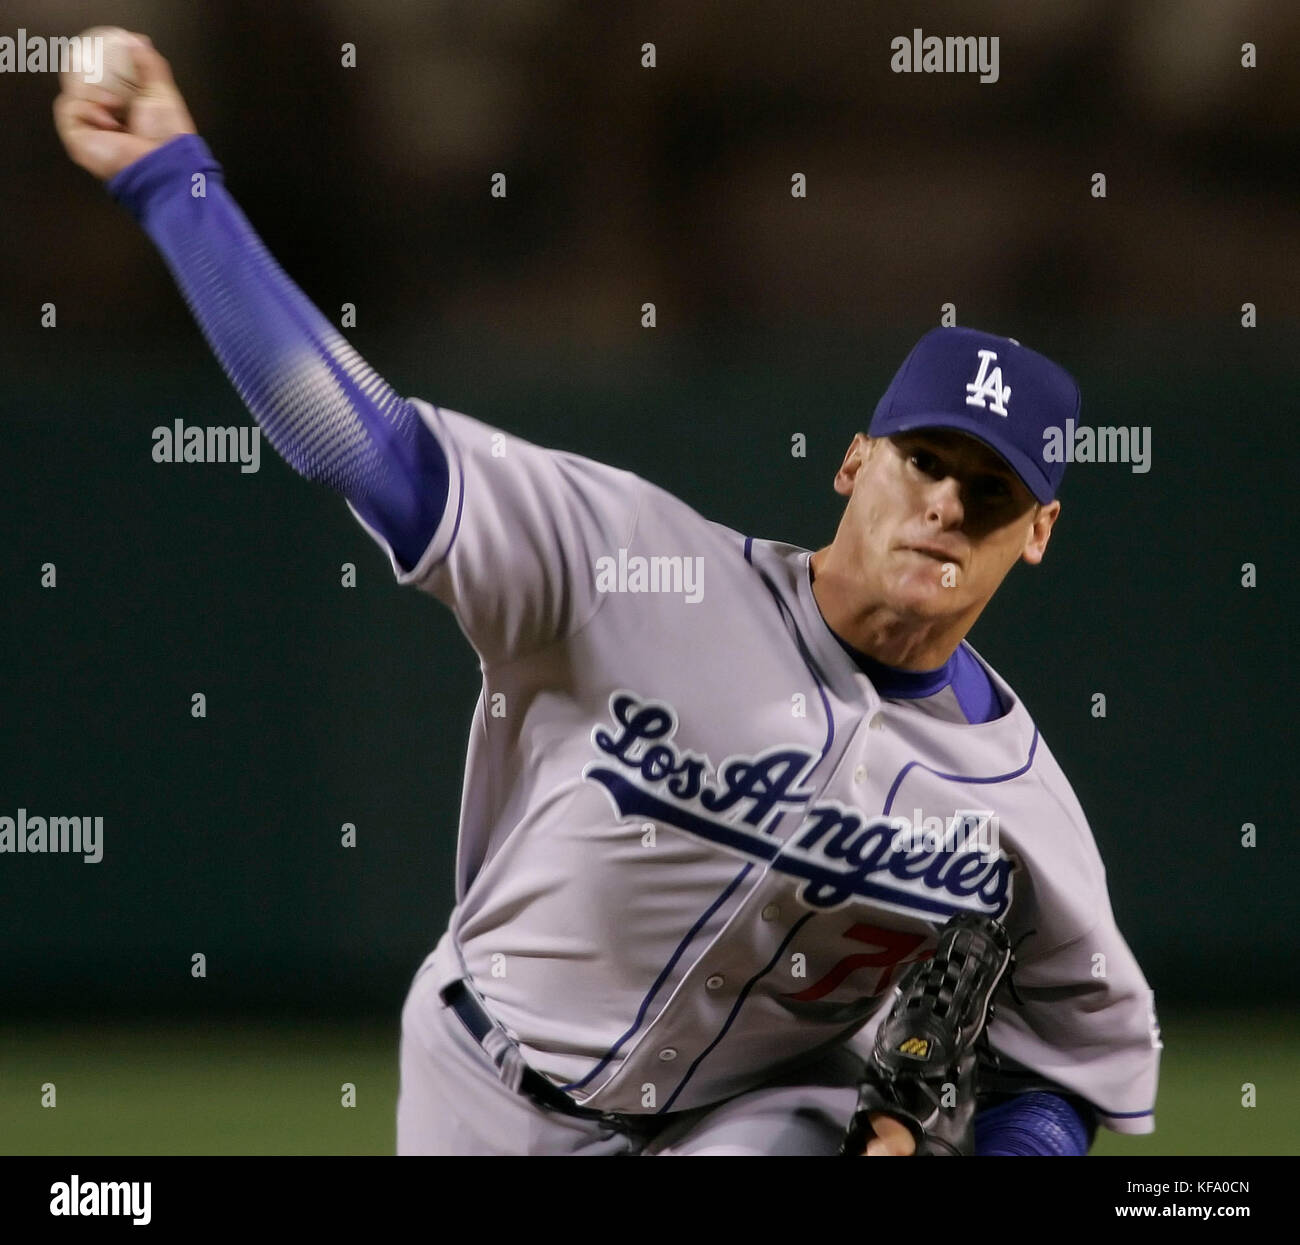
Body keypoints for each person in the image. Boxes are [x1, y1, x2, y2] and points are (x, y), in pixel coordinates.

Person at [54, 34, 1160, 1157]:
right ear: (853, 462)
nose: (944, 507)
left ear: (1037, 533)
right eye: (924, 461)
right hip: (478, 1080)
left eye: (990, 490)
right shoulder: (631, 568)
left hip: (747, 1120)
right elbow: (365, 446)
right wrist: (171, 183)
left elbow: (1060, 1070)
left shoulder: (1023, 816)